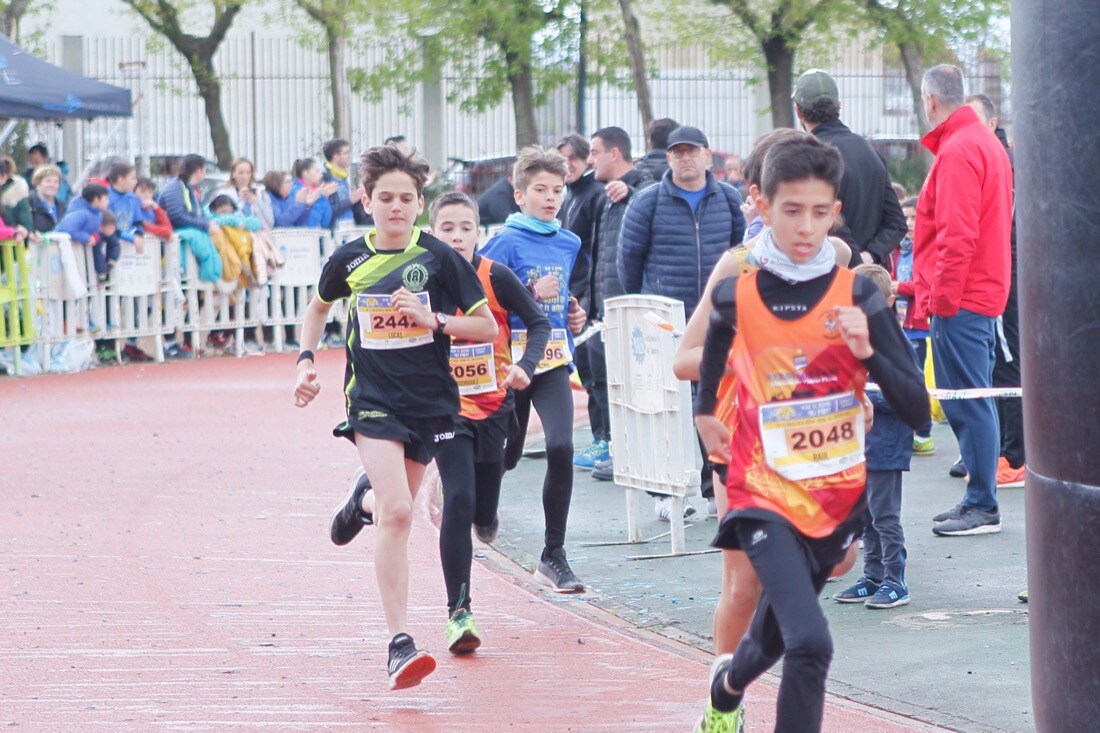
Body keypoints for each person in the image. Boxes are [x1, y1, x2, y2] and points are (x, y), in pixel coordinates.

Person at [692, 135, 929, 733]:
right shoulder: (735, 290)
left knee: (773, 634)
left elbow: (919, 413)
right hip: (760, 490)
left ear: (836, 212)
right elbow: (704, 355)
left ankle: (728, 682)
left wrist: (868, 353)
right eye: (792, 210)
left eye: (820, 212)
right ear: (763, 206)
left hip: (835, 494)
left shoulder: (855, 293)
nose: (806, 227)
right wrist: (706, 415)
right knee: (811, 643)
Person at [297, 143, 498, 690]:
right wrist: (305, 363)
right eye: (384, 197)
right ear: (366, 201)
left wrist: (434, 319)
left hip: (431, 403)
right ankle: (399, 643)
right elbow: (317, 309)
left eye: (406, 198)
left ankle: (355, 502)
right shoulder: (349, 260)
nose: (395, 207)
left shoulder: (441, 258)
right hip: (372, 400)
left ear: (418, 202)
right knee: (402, 513)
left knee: (390, 507)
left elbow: (487, 329)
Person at [674, 131, 857, 719]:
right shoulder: (738, 265)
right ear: (760, 199)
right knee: (746, 583)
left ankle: (744, 670)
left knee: (837, 561)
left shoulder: (838, 260)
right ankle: (723, 707)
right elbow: (683, 357)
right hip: (743, 443)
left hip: (820, 445)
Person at [428, 191, 551, 653]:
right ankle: (459, 613)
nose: (457, 237)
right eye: (447, 228)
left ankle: (488, 512)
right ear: (432, 232)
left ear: (480, 233)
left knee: (482, 509)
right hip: (446, 409)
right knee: (457, 499)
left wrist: (526, 365)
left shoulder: (494, 276)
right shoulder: (426, 279)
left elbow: (538, 323)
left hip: (497, 406)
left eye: (465, 228)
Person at [617, 124, 746, 516]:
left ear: (708, 156)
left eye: (692, 151)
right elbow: (628, 263)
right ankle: (665, 495)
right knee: (662, 405)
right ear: (668, 157)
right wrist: (649, 310)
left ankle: (712, 489)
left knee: (713, 401)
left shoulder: (728, 199)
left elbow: (741, 256)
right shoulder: (647, 202)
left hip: (716, 321)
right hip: (663, 323)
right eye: (677, 152)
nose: (685, 158)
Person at [481, 146, 588, 593]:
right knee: (506, 455)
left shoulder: (569, 241)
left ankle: (553, 555)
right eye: (540, 190)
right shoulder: (502, 243)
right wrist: (526, 288)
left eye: (558, 190)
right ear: (519, 194)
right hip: (510, 364)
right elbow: (480, 295)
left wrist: (574, 312)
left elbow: (559, 299)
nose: (550, 198)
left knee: (562, 446)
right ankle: (482, 509)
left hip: (552, 359)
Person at [914, 64, 1013, 537]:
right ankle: (978, 499)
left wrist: (941, 300)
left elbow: (956, 236)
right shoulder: (982, 144)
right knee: (972, 399)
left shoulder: (958, 150)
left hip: (963, 297)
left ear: (930, 100)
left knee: (969, 400)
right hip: (976, 293)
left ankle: (982, 504)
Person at [833, 263, 915, 609]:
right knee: (864, 514)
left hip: (887, 446)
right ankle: (873, 575)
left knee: (884, 515)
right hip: (858, 447)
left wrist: (865, 397)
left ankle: (896, 579)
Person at [577, 126, 654, 475]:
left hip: (628, 307)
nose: (589, 160)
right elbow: (602, 255)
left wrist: (634, 192)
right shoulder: (604, 194)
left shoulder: (644, 184)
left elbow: (659, 198)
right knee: (604, 378)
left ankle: (634, 455)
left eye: (594, 152)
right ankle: (617, 448)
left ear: (614, 154)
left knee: (630, 382)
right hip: (605, 305)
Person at [966, 93, 1025, 489]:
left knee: (1006, 363)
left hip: (1005, 276)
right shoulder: (996, 158)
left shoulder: (998, 160)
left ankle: (1014, 457)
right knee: (1002, 363)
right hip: (1007, 274)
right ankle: (1004, 453)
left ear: (991, 121)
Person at [793, 68, 907, 268]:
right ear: (839, 106)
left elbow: (830, 220)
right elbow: (896, 223)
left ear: (798, 110)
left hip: (827, 278)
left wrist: (855, 261)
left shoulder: (807, 157)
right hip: (871, 283)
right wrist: (869, 256)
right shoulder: (871, 152)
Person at [158, 154, 228, 357]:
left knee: (194, 292)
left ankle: (188, 339)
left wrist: (210, 222)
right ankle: (170, 341)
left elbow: (197, 214)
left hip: (192, 250)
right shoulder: (174, 188)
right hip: (174, 249)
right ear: (200, 171)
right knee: (172, 293)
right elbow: (177, 216)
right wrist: (205, 225)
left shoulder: (190, 189)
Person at [892, 196, 934, 456]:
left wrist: (899, 286)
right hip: (901, 322)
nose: (909, 223)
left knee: (919, 378)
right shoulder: (899, 249)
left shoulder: (928, 248)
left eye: (914, 218)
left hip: (920, 324)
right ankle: (914, 429)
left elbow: (926, 284)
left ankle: (925, 432)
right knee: (906, 376)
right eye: (905, 218)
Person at [55, 184, 109, 276]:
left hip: (84, 255)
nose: (108, 201)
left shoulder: (98, 214)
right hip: (67, 252)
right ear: (96, 199)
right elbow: (67, 230)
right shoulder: (79, 213)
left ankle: (102, 272)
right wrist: (87, 238)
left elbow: (96, 230)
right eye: (105, 199)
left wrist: (95, 237)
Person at [321, 138, 368, 227]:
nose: (349, 156)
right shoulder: (324, 178)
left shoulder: (345, 177)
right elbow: (327, 211)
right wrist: (351, 199)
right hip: (334, 231)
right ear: (336, 156)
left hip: (349, 228)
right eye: (346, 153)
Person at [290, 158, 337, 229]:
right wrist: (320, 197)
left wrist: (325, 197)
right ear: (305, 173)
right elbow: (309, 224)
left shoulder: (319, 191)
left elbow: (325, 222)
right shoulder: (295, 191)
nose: (321, 175)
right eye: (317, 171)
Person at [28, 166, 67, 234]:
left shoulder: (62, 206)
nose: (52, 185)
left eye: (55, 182)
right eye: (48, 181)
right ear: (38, 184)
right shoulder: (29, 202)